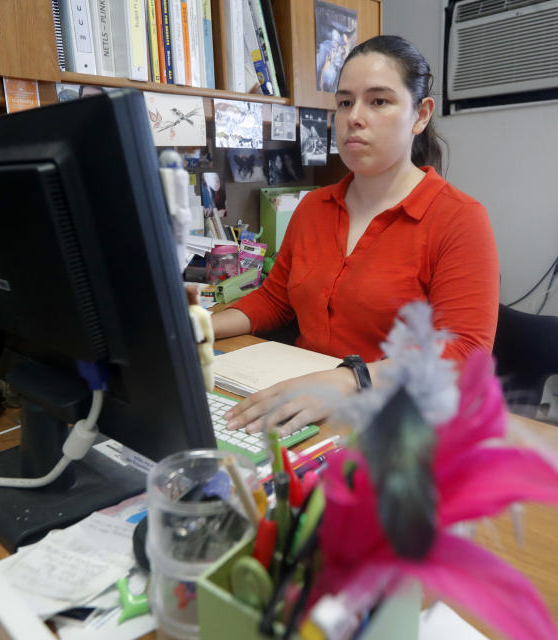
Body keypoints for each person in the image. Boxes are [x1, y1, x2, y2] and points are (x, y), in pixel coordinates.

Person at [213, 35, 499, 435]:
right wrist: (201, 326)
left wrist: (350, 379)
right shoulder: (313, 207)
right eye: (345, 103)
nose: (354, 117)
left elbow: (465, 352)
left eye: (378, 101)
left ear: (420, 115)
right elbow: (276, 298)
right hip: (304, 403)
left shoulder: (459, 219)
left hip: (393, 420)